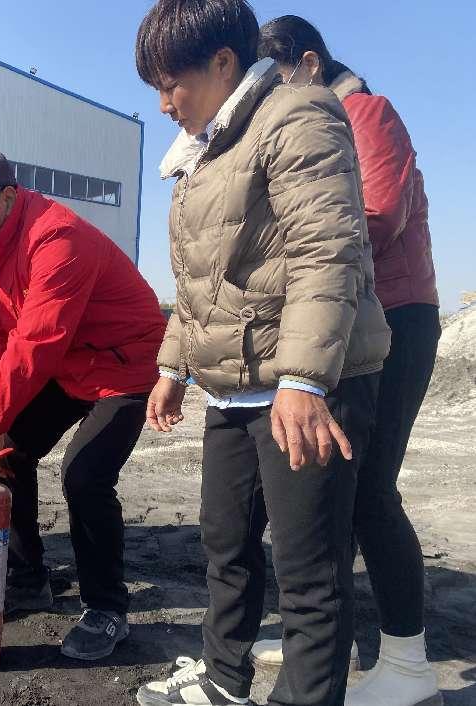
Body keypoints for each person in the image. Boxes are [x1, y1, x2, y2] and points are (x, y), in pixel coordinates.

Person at [131, 1, 391, 705]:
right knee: (226, 546)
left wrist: (304, 381)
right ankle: (223, 681)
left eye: (169, 84)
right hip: (232, 386)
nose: (162, 105)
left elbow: (326, 252)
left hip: (308, 384)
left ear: (223, 63)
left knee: (309, 573)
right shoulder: (206, 151)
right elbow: (200, 283)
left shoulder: (297, 117)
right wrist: (172, 367)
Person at [251, 16, 443, 706]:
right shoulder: (297, 125)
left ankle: (408, 665)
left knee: (369, 491)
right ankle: (319, 640)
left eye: (273, 80)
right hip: (338, 318)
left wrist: (282, 257)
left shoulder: (365, 112)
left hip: (393, 316)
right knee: (323, 487)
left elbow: (377, 215)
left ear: (308, 63)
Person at [0, 148, 166, 661]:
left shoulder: (57, 238)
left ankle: (107, 609)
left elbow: (34, 348)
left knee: (85, 476)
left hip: (122, 367)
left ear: (8, 197)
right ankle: (28, 580)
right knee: (6, 453)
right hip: (66, 366)